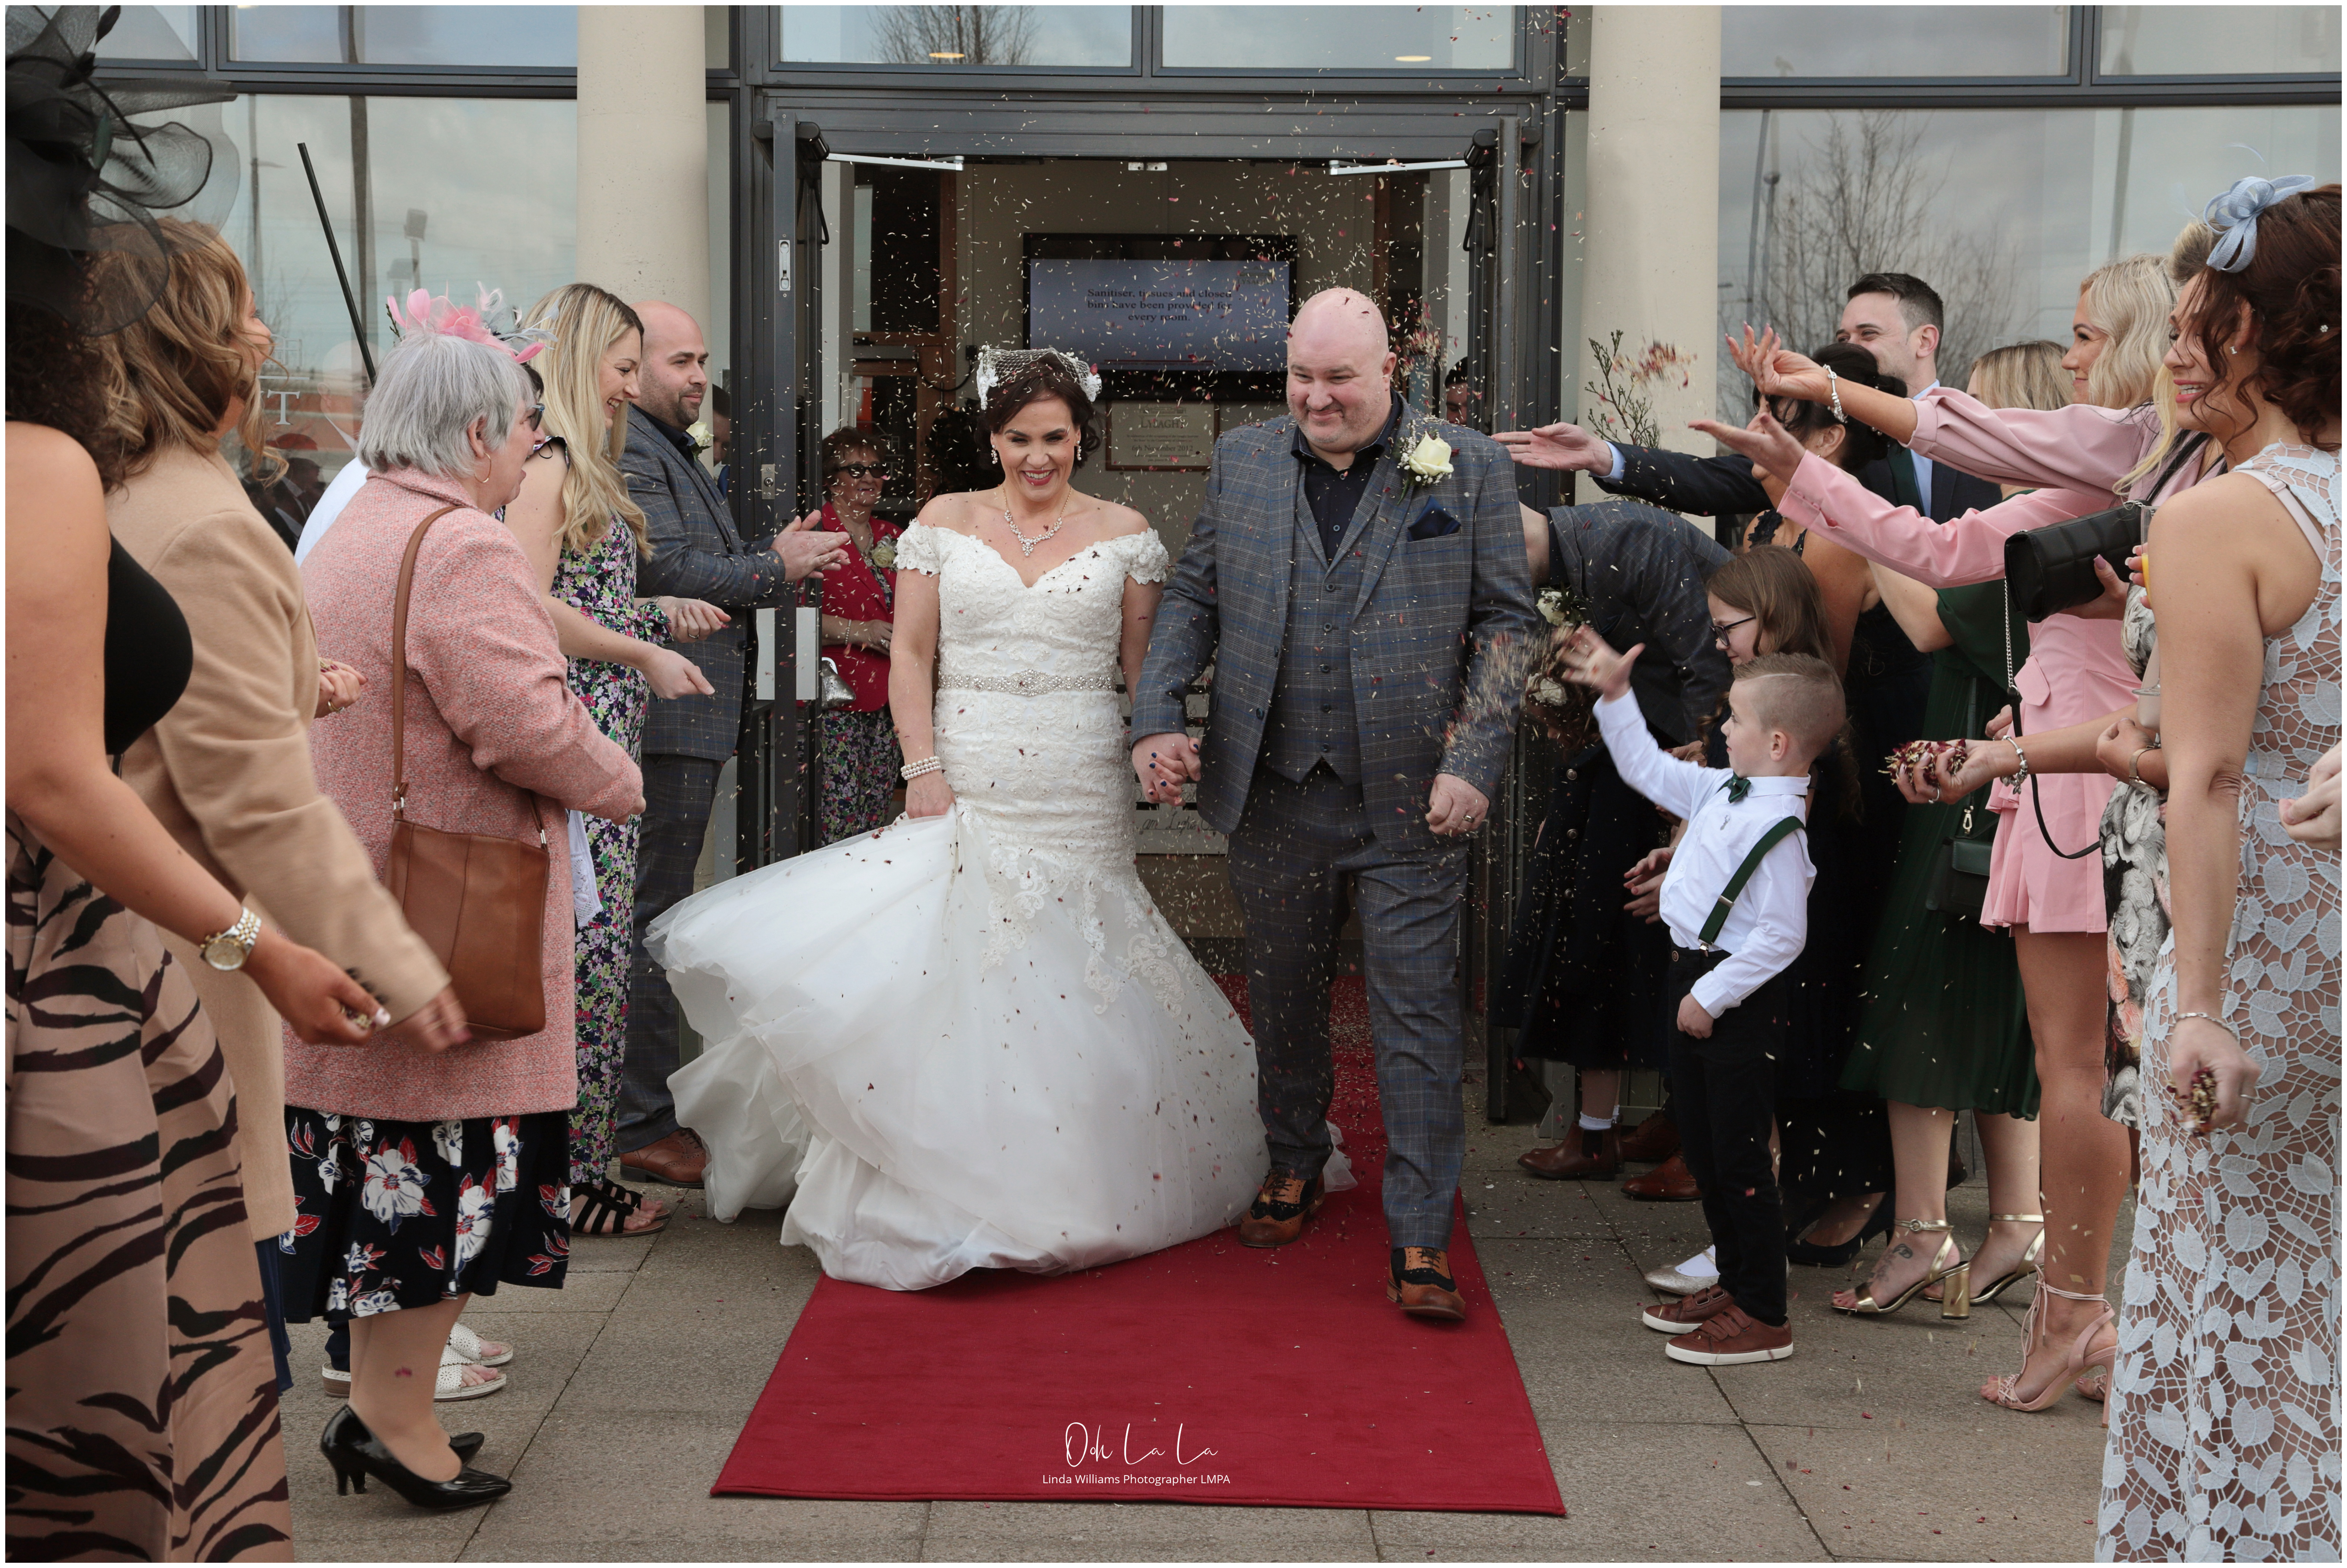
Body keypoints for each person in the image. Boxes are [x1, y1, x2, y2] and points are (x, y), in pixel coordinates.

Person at [650, 347, 1266, 1291]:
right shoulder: (941, 523)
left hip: (1077, 770)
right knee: (962, 959)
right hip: (968, 763)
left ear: (1080, 438)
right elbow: (909, 654)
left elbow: (1144, 672)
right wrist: (922, 765)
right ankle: (951, 1167)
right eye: (1018, 438)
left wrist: (1159, 746)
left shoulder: (1130, 533)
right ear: (991, 437)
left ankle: (1071, 1168)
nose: (1036, 457)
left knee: (1076, 958)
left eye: (1054, 438)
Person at [5, 9, 380, 1552]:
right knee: (109, 1446)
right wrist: (259, 947)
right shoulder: (35, 465)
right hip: (57, 998)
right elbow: (53, 780)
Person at [1725, 238, 2208, 1407]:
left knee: (2080, 1070)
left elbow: (1961, 438)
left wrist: (1830, 395)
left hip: (2090, 788)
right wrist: (1803, 467)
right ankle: (2087, 1316)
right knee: (2089, 1069)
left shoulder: (2129, 453)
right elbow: (1943, 550)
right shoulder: (2150, 470)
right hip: (2062, 774)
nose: (2075, 351)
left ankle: (2078, 1318)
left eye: (2089, 332)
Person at [96, 221, 470, 1403]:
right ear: (191, 343)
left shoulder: (115, 493)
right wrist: (394, 961)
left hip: (121, 958)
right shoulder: (201, 521)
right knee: (203, 1377)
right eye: (242, 307)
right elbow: (257, 808)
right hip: (178, 968)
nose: (266, 334)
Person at [1130, 288, 1541, 1323]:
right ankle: (1293, 1158)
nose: (1317, 397)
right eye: (1301, 377)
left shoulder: (1468, 465)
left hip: (1413, 800)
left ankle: (1417, 1232)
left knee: (1414, 1016)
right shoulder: (1245, 460)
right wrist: (1156, 718)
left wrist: (1474, 755)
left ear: (1389, 370)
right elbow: (1192, 594)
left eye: (1340, 379)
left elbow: (1506, 627)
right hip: (1272, 788)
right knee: (1282, 995)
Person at [289, 325, 644, 1510]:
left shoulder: (353, 527)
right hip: (447, 920)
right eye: (529, 428)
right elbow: (527, 725)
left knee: (392, 1181)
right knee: (436, 1189)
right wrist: (619, 776)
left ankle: (394, 1407)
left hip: (359, 899)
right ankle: (393, 1418)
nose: (535, 449)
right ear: (482, 432)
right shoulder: (462, 546)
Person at [2096, 177, 2338, 1561]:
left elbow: (2202, 774)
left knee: (2223, 1296)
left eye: (2204, 325)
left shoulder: (2208, 522)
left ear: (2271, 333)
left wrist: (2193, 1001)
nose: (2176, 355)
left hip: (2258, 957)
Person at [1822, 341, 2069, 1320]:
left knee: (1915, 1004)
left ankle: (1921, 1231)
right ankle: (2017, 1223)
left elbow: (1929, 622)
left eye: (1987, 407)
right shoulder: (2065, 520)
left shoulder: (2032, 530)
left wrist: (1864, 523)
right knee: (2000, 1013)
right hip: (2028, 793)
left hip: (1976, 791)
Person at [1562, 631, 1845, 1367]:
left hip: (1734, 999)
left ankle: (1763, 1313)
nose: (1721, 729)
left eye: (1735, 721)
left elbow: (1782, 934)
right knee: (1709, 1150)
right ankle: (1733, 1278)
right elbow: (1646, 771)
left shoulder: (1779, 827)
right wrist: (1615, 698)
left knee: (1739, 1157)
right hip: (1692, 980)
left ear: (1777, 742)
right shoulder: (1725, 787)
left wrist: (1712, 997)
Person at [506, 282, 724, 1238]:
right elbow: (522, 601)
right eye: (623, 368)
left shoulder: (582, 467)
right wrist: (640, 642)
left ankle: (574, 1171)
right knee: (587, 965)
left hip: (606, 735)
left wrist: (644, 619)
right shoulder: (550, 468)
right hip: (576, 739)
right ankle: (568, 1180)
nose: (632, 389)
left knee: (598, 968)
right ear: (581, 361)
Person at [620, 298, 845, 1189]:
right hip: (664, 718)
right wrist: (772, 570)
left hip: (687, 719)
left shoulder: (665, 447)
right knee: (646, 917)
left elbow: (688, 560)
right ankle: (636, 1120)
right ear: (630, 368)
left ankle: (642, 1108)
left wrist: (762, 551)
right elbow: (662, 572)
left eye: (700, 358)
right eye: (681, 360)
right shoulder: (632, 449)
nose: (694, 377)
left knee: (653, 914)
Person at [1497, 499, 1729, 1179]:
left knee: (1674, 938)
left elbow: (1708, 670)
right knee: (1589, 928)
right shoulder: (1565, 564)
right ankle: (1596, 1129)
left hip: (1688, 760)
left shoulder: (1629, 538)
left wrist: (1699, 812)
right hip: (1625, 750)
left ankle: (1695, 1134)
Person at [813, 426, 905, 843]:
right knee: (838, 825)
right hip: (835, 702)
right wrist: (859, 631)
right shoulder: (813, 534)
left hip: (888, 698)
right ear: (832, 478)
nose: (869, 478)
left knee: (875, 822)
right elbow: (791, 618)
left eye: (877, 470)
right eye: (856, 469)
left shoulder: (894, 537)